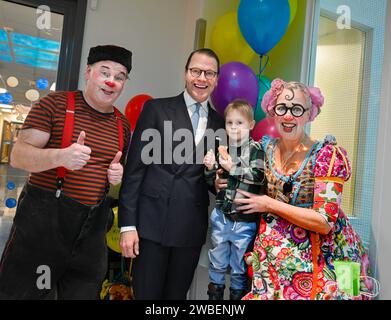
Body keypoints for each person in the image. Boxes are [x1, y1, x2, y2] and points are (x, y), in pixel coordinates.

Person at [0, 45, 132, 299]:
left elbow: (113, 185)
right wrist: (60, 156)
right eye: (104, 72)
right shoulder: (56, 104)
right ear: (88, 72)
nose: (111, 81)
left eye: (119, 76)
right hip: (43, 227)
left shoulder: (122, 124)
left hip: (91, 235)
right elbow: (17, 156)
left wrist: (116, 179)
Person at [226, 79, 373, 300]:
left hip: (334, 260)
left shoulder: (327, 155)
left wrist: (268, 203)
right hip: (277, 266)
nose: (288, 116)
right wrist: (222, 177)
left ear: (309, 114)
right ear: (272, 111)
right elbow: (241, 175)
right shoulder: (263, 149)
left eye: (297, 109)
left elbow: (325, 223)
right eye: (282, 108)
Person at [119, 48, 225, 300]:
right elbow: (134, 171)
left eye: (209, 73)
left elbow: (211, 178)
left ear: (217, 79)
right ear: (185, 73)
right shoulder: (156, 109)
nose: (202, 78)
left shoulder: (220, 123)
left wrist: (221, 182)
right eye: (196, 71)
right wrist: (127, 225)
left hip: (190, 228)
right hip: (151, 225)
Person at [203, 99, 266, 300]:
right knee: (218, 260)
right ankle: (215, 296)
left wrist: (233, 169)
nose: (234, 127)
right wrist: (210, 168)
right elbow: (217, 181)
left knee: (240, 264)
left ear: (251, 125)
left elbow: (258, 176)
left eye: (239, 123)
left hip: (244, 220)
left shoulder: (256, 149)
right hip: (222, 215)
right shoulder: (225, 149)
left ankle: (237, 297)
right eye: (230, 123)